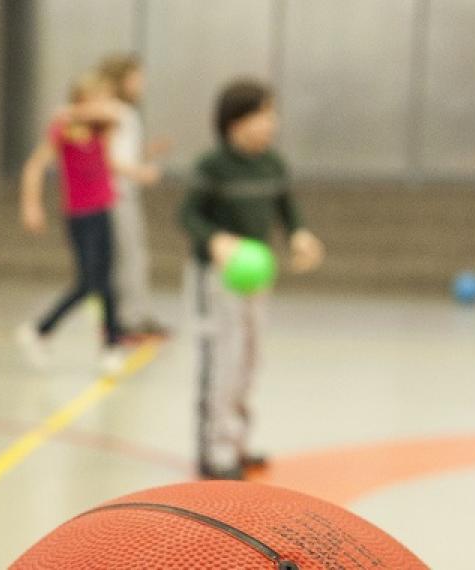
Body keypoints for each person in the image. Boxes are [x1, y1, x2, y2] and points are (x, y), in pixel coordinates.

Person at [178, 79, 324, 480]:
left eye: (272, 115)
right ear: (236, 122)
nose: (271, 123)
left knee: (249, 359)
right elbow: (188, 216)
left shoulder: (273, 165)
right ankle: (214, 452)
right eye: (263, 114)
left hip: (257, 279)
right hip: (217, 279)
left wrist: (299, 234)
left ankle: (237, 442)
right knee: (222, 361)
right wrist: (216, 241)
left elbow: (286, 208)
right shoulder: (212, 167)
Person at [15, 75, 146, 372]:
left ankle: (111, 345)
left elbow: (110, 154)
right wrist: (31, 205)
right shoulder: (63, 130)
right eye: (96, 98)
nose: (103, 104)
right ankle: (40, 329)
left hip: (103, 208)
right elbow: (35, 166)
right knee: (89, 283)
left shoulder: (103, 127)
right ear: (81, 98)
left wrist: (137, 173)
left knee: (107, 279)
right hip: (79, 214)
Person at [95, 54, 168, 338]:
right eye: (136, 77)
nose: (142, 84)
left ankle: (137, 313)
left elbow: (125, 154)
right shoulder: (111, 112)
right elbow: (105, 157)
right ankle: (126, 319)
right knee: (127, 258)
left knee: (134, 256)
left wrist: (147, 154)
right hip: (115, 194)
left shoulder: (127, 113)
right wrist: (138, 172)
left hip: (125, 193)